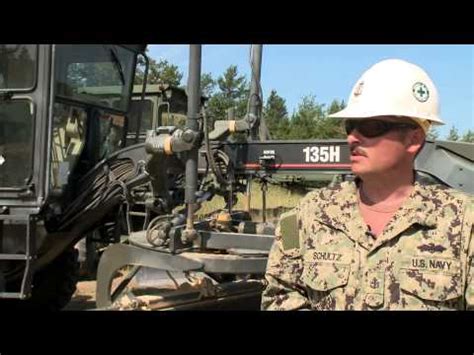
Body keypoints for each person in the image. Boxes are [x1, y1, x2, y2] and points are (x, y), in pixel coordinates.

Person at [261, 59, 473, 310]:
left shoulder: (463, 223)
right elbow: (280, 296)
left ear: (414, 138)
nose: (352, 137)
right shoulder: (308, 214)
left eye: (370, 126)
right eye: (350, 126)